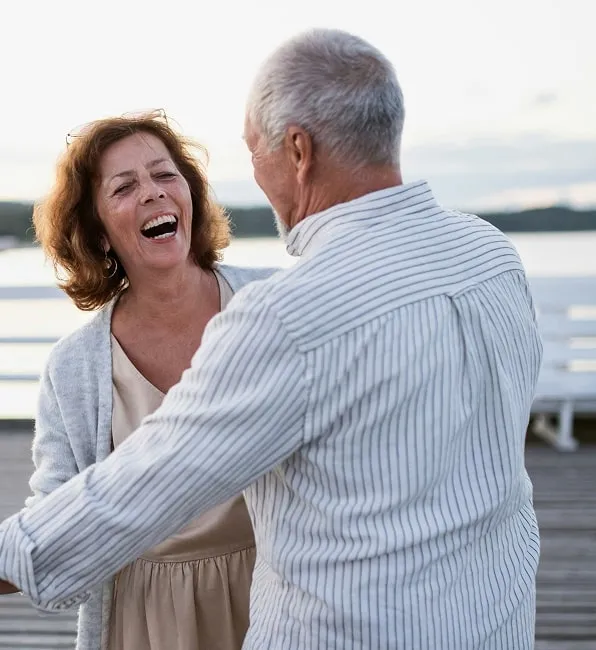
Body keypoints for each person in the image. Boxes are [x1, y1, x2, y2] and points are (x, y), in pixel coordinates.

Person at [0, 29, 542, 649]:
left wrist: (12, 556)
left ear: (298, 150)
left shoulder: (286, 316)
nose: (253, 171)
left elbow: (142, 487)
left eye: (254, 150)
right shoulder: (492, 256)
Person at [0, 111, 277, 650]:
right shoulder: (75, 365)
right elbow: (58, 510)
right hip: (143, 619)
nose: (152, 193)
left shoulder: (273, 304)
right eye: (124, 187)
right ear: (100, 234)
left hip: (278, 597)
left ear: (190, 196)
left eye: (164, 175)